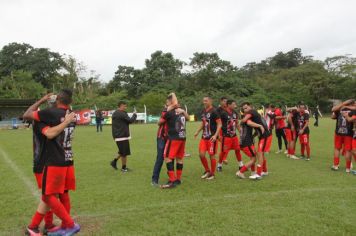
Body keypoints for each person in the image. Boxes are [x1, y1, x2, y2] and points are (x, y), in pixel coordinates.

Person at [23, 89, 80, 236]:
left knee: (48, 195)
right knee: (59, 194)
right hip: (66, 157)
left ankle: (39, 226)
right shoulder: (70, 115)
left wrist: (41, 100)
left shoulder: (47, 115)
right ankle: (50, 225)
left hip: (46, 161)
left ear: (55, 101)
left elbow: (28, 114)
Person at [160, 93, 189, 189]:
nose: (166, 104)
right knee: (179, 158)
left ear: (171, 102)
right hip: (182, 137)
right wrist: (184, 111)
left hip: (173, 138)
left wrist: (167, 110)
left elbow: (159, 122)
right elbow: (188, 118)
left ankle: (172, 181)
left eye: (167, 102)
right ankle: (178, 179)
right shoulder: (181, 111)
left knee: (167, 157)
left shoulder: (169, 112)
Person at [236, 102, 271, 180]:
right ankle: (259, 172)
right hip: (248, 141)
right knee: (256, 156)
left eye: (246, 108)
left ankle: (259, 172)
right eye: (244, 109)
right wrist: (259, 126)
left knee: (258, 154)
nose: (245, 110)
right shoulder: (252, 115)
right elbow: (247, 122)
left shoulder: (251, 112)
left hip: (264, 136)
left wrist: (254, 133)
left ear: (250, 107)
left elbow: (245, 121)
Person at [194, 96, 222, 180]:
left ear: (210, 101)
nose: (204, 102)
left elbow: (219, 124)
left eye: (206, 101)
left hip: (211, 138)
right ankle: (207, 170)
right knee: (201, 154)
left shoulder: (214, 111)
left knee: (211, 155)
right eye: (203, 101)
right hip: (204, 137)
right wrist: (197, 132)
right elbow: (203, 123)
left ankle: (212, 174)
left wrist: (215, 135)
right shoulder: (203, 111)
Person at [217, 100, 244, 172]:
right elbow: (219, 124)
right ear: (228, 105)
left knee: (238, 150)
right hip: (226, 136)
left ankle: (241, 165)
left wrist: (241, 132)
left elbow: (237, 123)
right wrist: (219, 135)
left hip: (234, 136)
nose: (235, 106)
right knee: (223, 151)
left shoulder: (235, 113)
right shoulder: (223, 113)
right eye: (233, 104)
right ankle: (219, 165)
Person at [110, 101, 137, 172]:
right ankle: (123, 168)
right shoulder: (122, 113)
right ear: (121, 106)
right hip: (122, 136)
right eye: (124, 106)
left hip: (118, 135)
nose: (125, 107)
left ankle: (114, 162)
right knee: (124, 153)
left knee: (122, 151)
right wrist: (134, 114)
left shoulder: (115, 113)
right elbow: (131, 121)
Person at [331, 99, 354, 172]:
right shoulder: (353, 110)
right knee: (348, 150)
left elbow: (333, 114)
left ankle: (335, 165)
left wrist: (343, 104)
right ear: (352, 104)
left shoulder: (340, 108)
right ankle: (348, 168)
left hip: (338, 131)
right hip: (349, 132)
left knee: (337, 148)